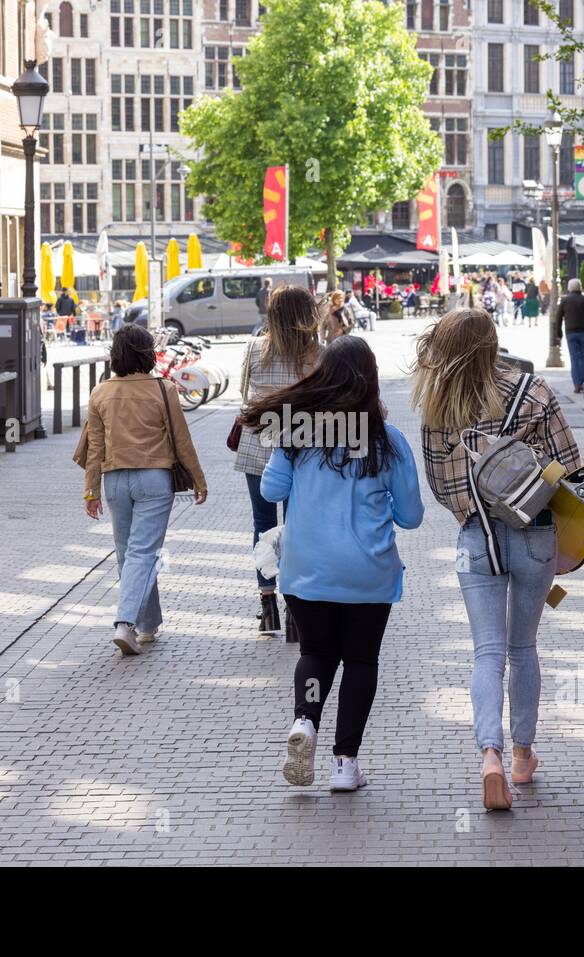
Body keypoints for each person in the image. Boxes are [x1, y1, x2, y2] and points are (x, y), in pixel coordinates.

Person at [413, 308, 581, 810]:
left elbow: (442, 486)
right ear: (494, 342)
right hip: (535, 536)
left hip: (475, 540)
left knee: (486, 652)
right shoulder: (533, 391)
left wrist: (474, 508)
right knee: (522, 648)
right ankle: (523, 756)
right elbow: (570, 468)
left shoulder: (437, 404)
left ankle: (489, 753)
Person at [242, 336, 424, 791]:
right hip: (368, 572)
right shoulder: (388, 440)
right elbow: (412, 516)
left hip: (306, 571)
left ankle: (305, 721)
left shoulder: (298, 435)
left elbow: (270, 492)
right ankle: (345, 765)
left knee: (316, 655)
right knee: (361, 661)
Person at [82, 325, 208, 656]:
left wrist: (90, 491)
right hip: (154, 479)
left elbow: (95, 448)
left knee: (130, 554)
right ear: (147, 353)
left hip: (114, 481)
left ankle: (147, 625)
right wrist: (198, 478)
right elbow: (182, 439)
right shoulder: (163, 389)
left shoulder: (101, 392)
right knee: (143, 553)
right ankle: (126, 623)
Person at [235, 284, 322, 636]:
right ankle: (295, 608)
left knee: (263, 523)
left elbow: (244, 395)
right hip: (303, 450)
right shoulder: (319, 354)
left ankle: (267, 603)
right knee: (298, 524)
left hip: (259, 447)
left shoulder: (255, 350)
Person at [555, 277, 584, 394]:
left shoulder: (565, 301)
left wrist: (559, 333)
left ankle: (576, 384)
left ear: (569, 288)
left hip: (570, 332)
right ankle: (582, 382)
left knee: (574, 358)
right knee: (582, 357)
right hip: (583, 332)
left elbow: (558, 318)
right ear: (580, 287)